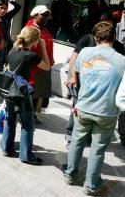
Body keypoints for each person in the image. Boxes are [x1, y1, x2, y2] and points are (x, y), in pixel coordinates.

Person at [62, 21, 125, 196]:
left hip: (83, 107)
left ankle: (69, 174)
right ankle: (91, 185)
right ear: (113, 38)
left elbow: (80, 72)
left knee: (77, 141)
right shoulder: (123, 60)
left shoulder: (84, 53)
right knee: (98, 149)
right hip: (107, 112)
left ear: (96, 38)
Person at [65, 17, 125, 149]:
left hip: (102, 87)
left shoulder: (115, 45)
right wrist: (73, 77)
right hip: (82, 82)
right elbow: (73, 59)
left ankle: (87, 138)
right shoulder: (88, 39)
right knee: (77, 108)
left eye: (109, 27)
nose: (106, 30)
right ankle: (70, 136)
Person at [0, 26, 50, 165]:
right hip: (22, 93)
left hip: (9, 91)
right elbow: (47, 66)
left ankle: (6, 148)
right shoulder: (30, 55)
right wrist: (43, 47)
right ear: (34, 41)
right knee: (27, 125)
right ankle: (26, 156)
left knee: (10, 121)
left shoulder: (13, 50)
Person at [25, 5, 55, 122]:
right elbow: (27, 49)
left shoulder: (44, 29)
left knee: (38, 93)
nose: (46, 18)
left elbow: (49, 46)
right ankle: (27, 115)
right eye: (43, 15)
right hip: (34, 67)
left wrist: (51, 60)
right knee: (31, 92)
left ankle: (31, 113)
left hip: (44, 67)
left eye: (47, 15)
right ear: (36, 15)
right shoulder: (30, 29)